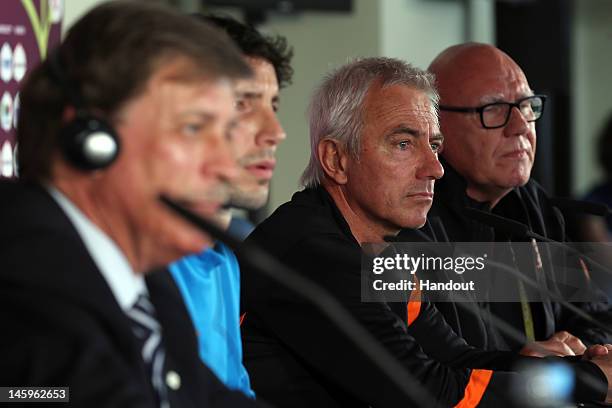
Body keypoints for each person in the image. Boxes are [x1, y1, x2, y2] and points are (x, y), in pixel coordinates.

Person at [240, 57, 612, 407]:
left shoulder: (386, 251)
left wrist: (555, 366)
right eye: (403, 144)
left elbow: (456, 358)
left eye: (433, 145)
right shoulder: (312, 254)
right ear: (336, 159)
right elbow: (431, 392)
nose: (435, 168)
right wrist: (590, 381)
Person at [0, 2, 263, 407]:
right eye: (193, 128)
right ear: (90, 141)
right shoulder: (25, 275)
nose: (227, 166)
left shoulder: (144, 281)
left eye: (227, 134)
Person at [421, 42, 612, 355]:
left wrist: (583, 349)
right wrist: (519, 368)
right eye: (493, 109)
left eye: (526, 106)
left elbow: (596, 315)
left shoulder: (534, 205)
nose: (521, 126)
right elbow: (430, 366)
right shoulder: (414, 218)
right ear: (435, 127)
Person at [168, 14, 292, 397]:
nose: (275, 132)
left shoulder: (226, 257)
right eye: (243, 104)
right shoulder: (141, 261)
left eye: (273, 105)